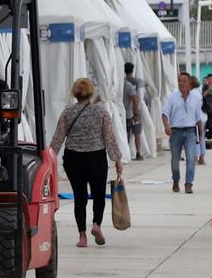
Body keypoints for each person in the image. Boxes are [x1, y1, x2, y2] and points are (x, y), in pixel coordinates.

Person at [49, 78, 125, 249]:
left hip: (73, 158)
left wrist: (49, 156)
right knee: (98, 195)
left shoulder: (67, 112)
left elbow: (58, 137)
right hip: (96, 157)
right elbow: (109, 137)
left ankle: (82, 236)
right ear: (91, 92)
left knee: (80, 197)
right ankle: (96, 225)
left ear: (74, 93)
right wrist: (117, 159)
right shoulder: (101, 111)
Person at [161, 70, 204, 193]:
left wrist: (200, 136)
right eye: (180, 81)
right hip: (175, 132)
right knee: (175, 159)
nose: (181, 83)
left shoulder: (195, 99)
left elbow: (199, 118)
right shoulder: (172, 98)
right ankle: (175, 180)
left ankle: (189, 184)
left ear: (189, 82)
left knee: (191, 158)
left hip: (190, 132)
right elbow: (165, 113)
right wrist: (166, 126)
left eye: (184, 81)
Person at [122, 62, 147, 161]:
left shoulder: (122, 82)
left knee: (126, 133)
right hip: (135, 112)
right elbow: (136, 98)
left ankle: (127, 152)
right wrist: (136, 113)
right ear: (133, 70)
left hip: (126, 112)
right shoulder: (138, 81)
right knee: (137, 133)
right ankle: (138, 153)